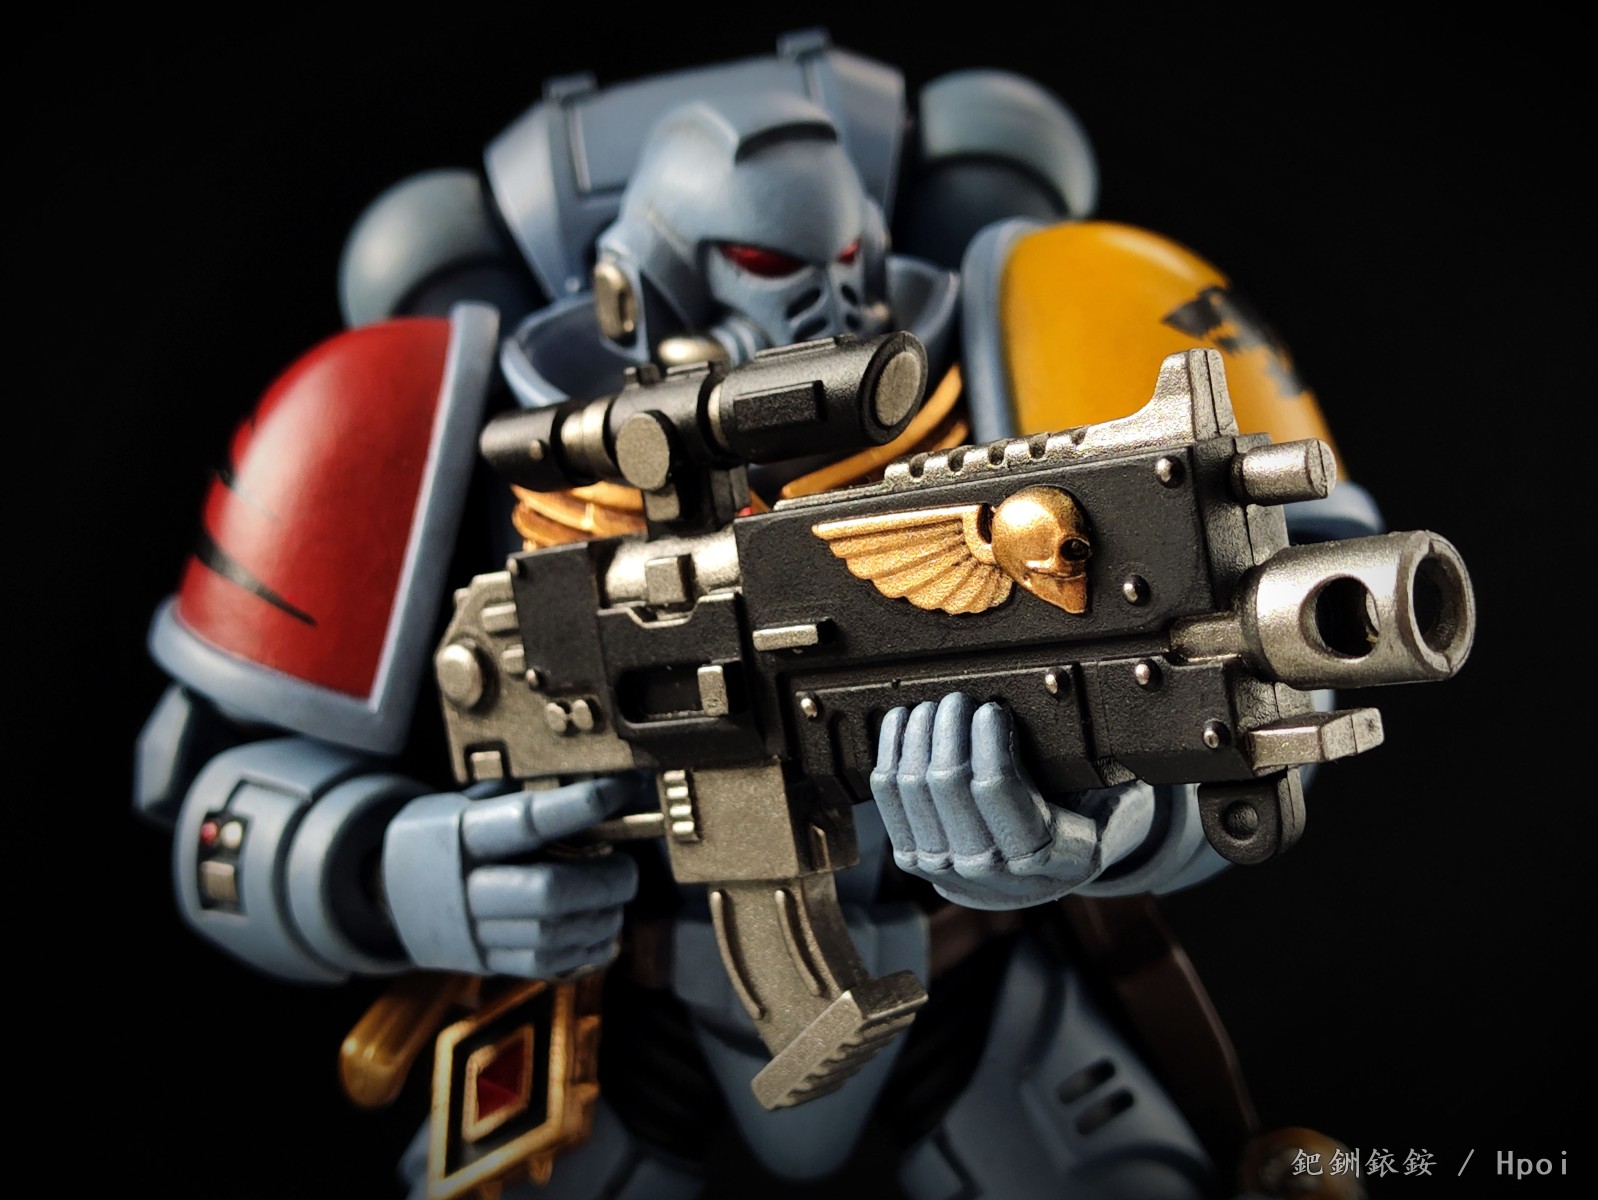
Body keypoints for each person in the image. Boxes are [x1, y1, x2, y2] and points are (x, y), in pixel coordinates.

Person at [136, 32, 1379, 1200]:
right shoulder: (399, 427)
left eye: (847, 268)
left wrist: (1100, 827)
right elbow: (211, 813)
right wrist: (392, 870)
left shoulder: (1019, 357)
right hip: (609, 1013)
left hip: (967, 983)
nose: (822, 309)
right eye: (771, 269)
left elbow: (1255, 682)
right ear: (633, 291)